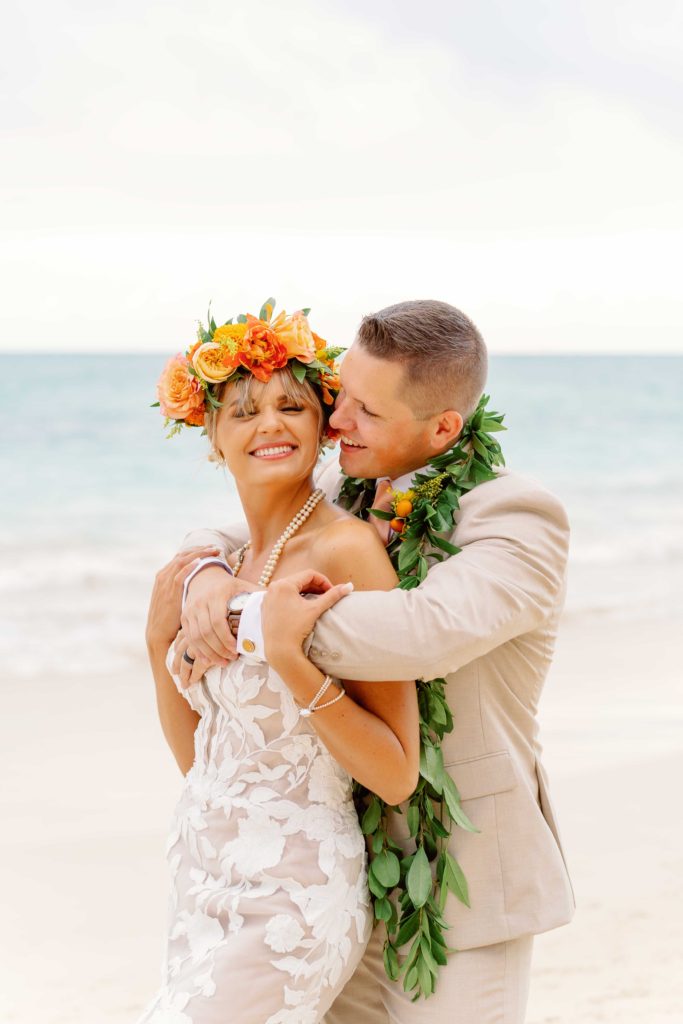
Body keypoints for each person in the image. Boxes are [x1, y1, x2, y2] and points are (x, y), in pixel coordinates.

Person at [175, 299, 575, 1024]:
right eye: (342, 395)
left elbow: (422, 631)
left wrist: (249, 621)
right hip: (332, 864)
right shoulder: (351, 487)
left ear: (442, 429)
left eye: (365, 410)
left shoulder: (515, 517)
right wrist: (202, 570)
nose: (335, 421)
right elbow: (252, 529)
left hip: (459, 875)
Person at [140, 304, 420, 1024]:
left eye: (291, 407)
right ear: (211, 434)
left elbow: (396, 772)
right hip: (201, 881)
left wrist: (289, 656)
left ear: (322, 425)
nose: (270, 425)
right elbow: (204, 763)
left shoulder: (346, 550)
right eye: (244, 412)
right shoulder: (225, 564)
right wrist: (156, 640)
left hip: (291, 898)